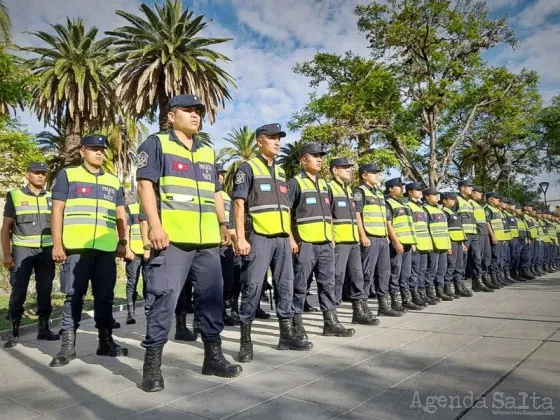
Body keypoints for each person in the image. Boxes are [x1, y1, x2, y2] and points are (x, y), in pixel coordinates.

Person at [136, 94, 242, 392]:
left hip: (208, 240)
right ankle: (152, 365)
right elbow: (145, 185)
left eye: (198, 111)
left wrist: (224, 225)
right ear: (171, 116)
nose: (195, 115)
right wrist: (155, 226)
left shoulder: (207, 151)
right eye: (188, 110)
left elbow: (216, 193)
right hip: (173, 239)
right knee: (164, 298)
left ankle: (213, 357)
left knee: (211, 298)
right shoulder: (157, 144)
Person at [233, 123, 313, 364]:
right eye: (272, 138)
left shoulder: (280, 173)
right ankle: (246, 342)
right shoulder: (248, 168)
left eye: (279, 138)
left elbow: (285, 209)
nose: (277, 142)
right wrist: (240, 237)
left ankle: (286, 335)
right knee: (252, 287)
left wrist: (289, 236)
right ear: (260, 141)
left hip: (281, 238)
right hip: (259, 237)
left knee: (285, 286)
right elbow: (238, 204)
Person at [49, 135, 129, 367]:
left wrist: (123, 242)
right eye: (94, 149)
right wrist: (57, 244)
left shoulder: (113, 181)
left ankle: (105, 342)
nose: (99, 153)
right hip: (77, 248)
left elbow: (121, 214)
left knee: (105, 297)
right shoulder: (68, 175)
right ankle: (67, 346)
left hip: (105, 249)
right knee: (74, 296)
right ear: (82, 151)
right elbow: (57, 211)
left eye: (102, 149)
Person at [288, 143, 355, 338]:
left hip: (326, 243)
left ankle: (331, 322)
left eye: (321, 156)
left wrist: (332, 238)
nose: (319, 159)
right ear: (303, 160)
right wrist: (292, 239)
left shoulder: (325, 185)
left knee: (328, 283)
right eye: (314, 156)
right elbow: (286, 212)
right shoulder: (295, 183)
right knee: (300, 284)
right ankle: (296, 322)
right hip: (305, 243)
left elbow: (330, 214)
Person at [2, 162, 59, 347]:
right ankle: (14, 331)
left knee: (45, 290)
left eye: (43, 173)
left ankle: (43, 329)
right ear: (28, 175)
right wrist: (6, 254)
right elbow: (5, 228)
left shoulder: (52, 197)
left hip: (46, 251)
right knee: (19, 291)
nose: (40, 176)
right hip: (22, 251)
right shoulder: (15, 196)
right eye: (36, 173)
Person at [327, 157, 378, 325]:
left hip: (353, 241)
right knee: (337, 276)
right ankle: (332, 318)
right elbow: (327, 215)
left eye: (350, 168)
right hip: (339, 241)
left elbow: (356, 217)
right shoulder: (329, 188)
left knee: (358, 276)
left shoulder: (349, 190)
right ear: (335, 170)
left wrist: (360, 235)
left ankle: (359, 312)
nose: (349, 170)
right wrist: (332, 238)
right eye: (345, 168)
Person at [353, 164, 401, 317]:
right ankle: (363, 306)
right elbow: (357, 214)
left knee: (384, 272)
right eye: (373, 173)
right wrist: (362, 235)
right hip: (370, 237)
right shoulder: (360, 191)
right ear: (364, 175)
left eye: (377, 173)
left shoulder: (379, 194)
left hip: (382, 239)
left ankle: (383, 305)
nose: (377, 176)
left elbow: (384, 218)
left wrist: (387, 236)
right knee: (367, 273)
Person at [385, 177, 420, 312]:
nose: (402, 189)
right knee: (395, 272)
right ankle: (394, 301)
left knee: (405, 273)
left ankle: (406, 299)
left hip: (408, 243)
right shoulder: (388, 203)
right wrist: (396, 241)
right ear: (391, 189)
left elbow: (410, 225)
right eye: (399, 186)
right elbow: (389, 224)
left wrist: (413, 242)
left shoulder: (405, 204)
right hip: (397, 244)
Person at [216, 164, 240, 326]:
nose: (220, 177)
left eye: (222, 175)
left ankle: (225, 310)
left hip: (226, 245)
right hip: (210, 244)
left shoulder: (225, 197)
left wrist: (236, 242)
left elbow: (231, 223)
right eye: (218, 174)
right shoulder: (205, 193)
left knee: (229, 279)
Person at [405, 182, 431, 308]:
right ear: (410, 192)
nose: (420, 192)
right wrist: (413, 243)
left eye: (421, 190)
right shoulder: (408, 206)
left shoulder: (421, 206)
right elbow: (409, 225)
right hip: (416, 243)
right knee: (414, 271)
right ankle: (413, 294)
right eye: (417, 190)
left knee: (422, 270)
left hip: (425, 242)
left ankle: (421, 292)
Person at [124, 199, 150, 325]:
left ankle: (149, 311)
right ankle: (130, 313)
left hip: (149, 253)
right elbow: (126, 230)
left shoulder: (151, 208)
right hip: (133, 252)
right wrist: (127, 249)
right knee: (132, 282)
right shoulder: (131, 208)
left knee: (149, 282)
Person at [422, 188, 448, 304]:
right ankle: (430, 292)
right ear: (427, 197)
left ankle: (440, 290)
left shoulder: (440, 209)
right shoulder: (425, 209)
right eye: (434, 195)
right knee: (432, 269)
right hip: (433, 244)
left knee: (442, 268)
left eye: (437, 195)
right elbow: (425, 228)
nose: (437, 198)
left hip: (443, 243)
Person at [440, 192, 467, 300]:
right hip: (451, 241)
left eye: (454, 199)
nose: (453, 201)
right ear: (444, 200)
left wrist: (463, 243)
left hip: (459, 241)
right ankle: (447, 288)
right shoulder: (444, 212)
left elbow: (459, 228)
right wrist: (448, 246)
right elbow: (444, 230)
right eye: (450, 199)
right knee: (451, 265)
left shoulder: (454, 212)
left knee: (459, 265)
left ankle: (458, 286)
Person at [470, 187, 497, 291]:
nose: (481, 194)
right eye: (479, 192)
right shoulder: (470, 203)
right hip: (478, 234)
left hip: (485, 234)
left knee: (486, 258)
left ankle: (485, 279)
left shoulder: (480, 206)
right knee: (477, 258)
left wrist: (491, 235)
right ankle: (477, 281)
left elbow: (486, 222)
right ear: (473, 193)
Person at [455, 180, 477, 296]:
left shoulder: (469, 201)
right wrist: (461, 239)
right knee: (461, 261)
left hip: (473, 234)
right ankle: (459, 284)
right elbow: (454, 220)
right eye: (469, 187)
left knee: (475, 258)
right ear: (462, 188)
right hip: (464, 235)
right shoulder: (456, 200)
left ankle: (476, 282)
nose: (471, 189)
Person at [484, 193, 509, 288]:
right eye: (496, 198)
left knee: (500, 258)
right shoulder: (488, 209)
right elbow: (487, 223)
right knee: (495, 258)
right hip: (495, 238)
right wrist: (493, 236)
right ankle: (494, 278)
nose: (498, 200)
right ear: (490, 199)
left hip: (501, 238)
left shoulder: (497, 210)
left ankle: (499, 278)